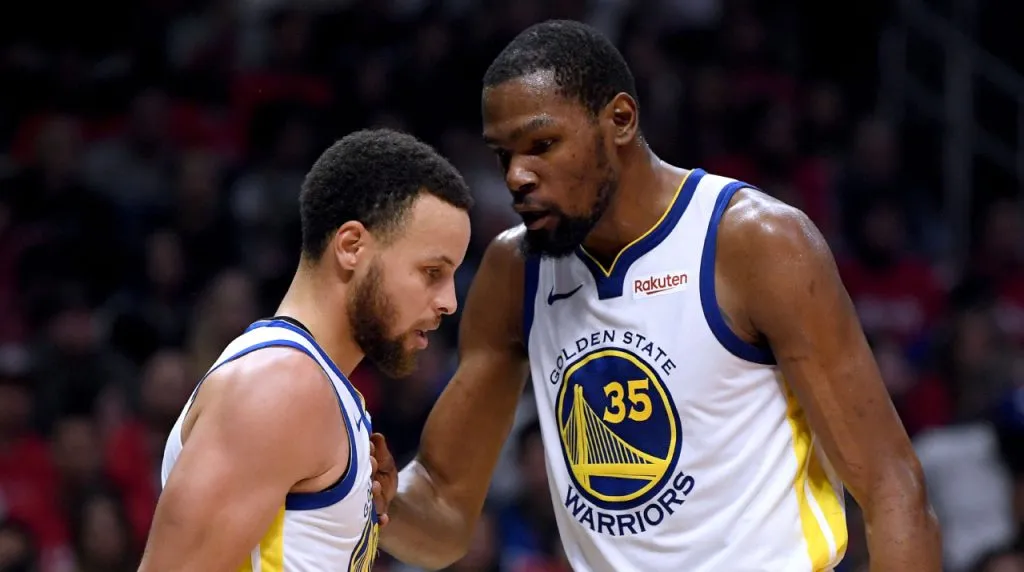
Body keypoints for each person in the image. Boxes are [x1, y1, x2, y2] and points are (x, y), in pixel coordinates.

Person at [372, 20, 942, 571]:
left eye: (542, 143)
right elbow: (445, 513)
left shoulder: (754, 243)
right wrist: (371, 498)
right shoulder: (514, 270)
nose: (518, 175)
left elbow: (892, 487)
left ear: (619, 119)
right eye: (503, 155)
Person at [138, 128, 473, 571]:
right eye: (432, 271)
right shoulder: (281, 386)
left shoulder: (319, 389)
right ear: (352, 247)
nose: (449, 301)